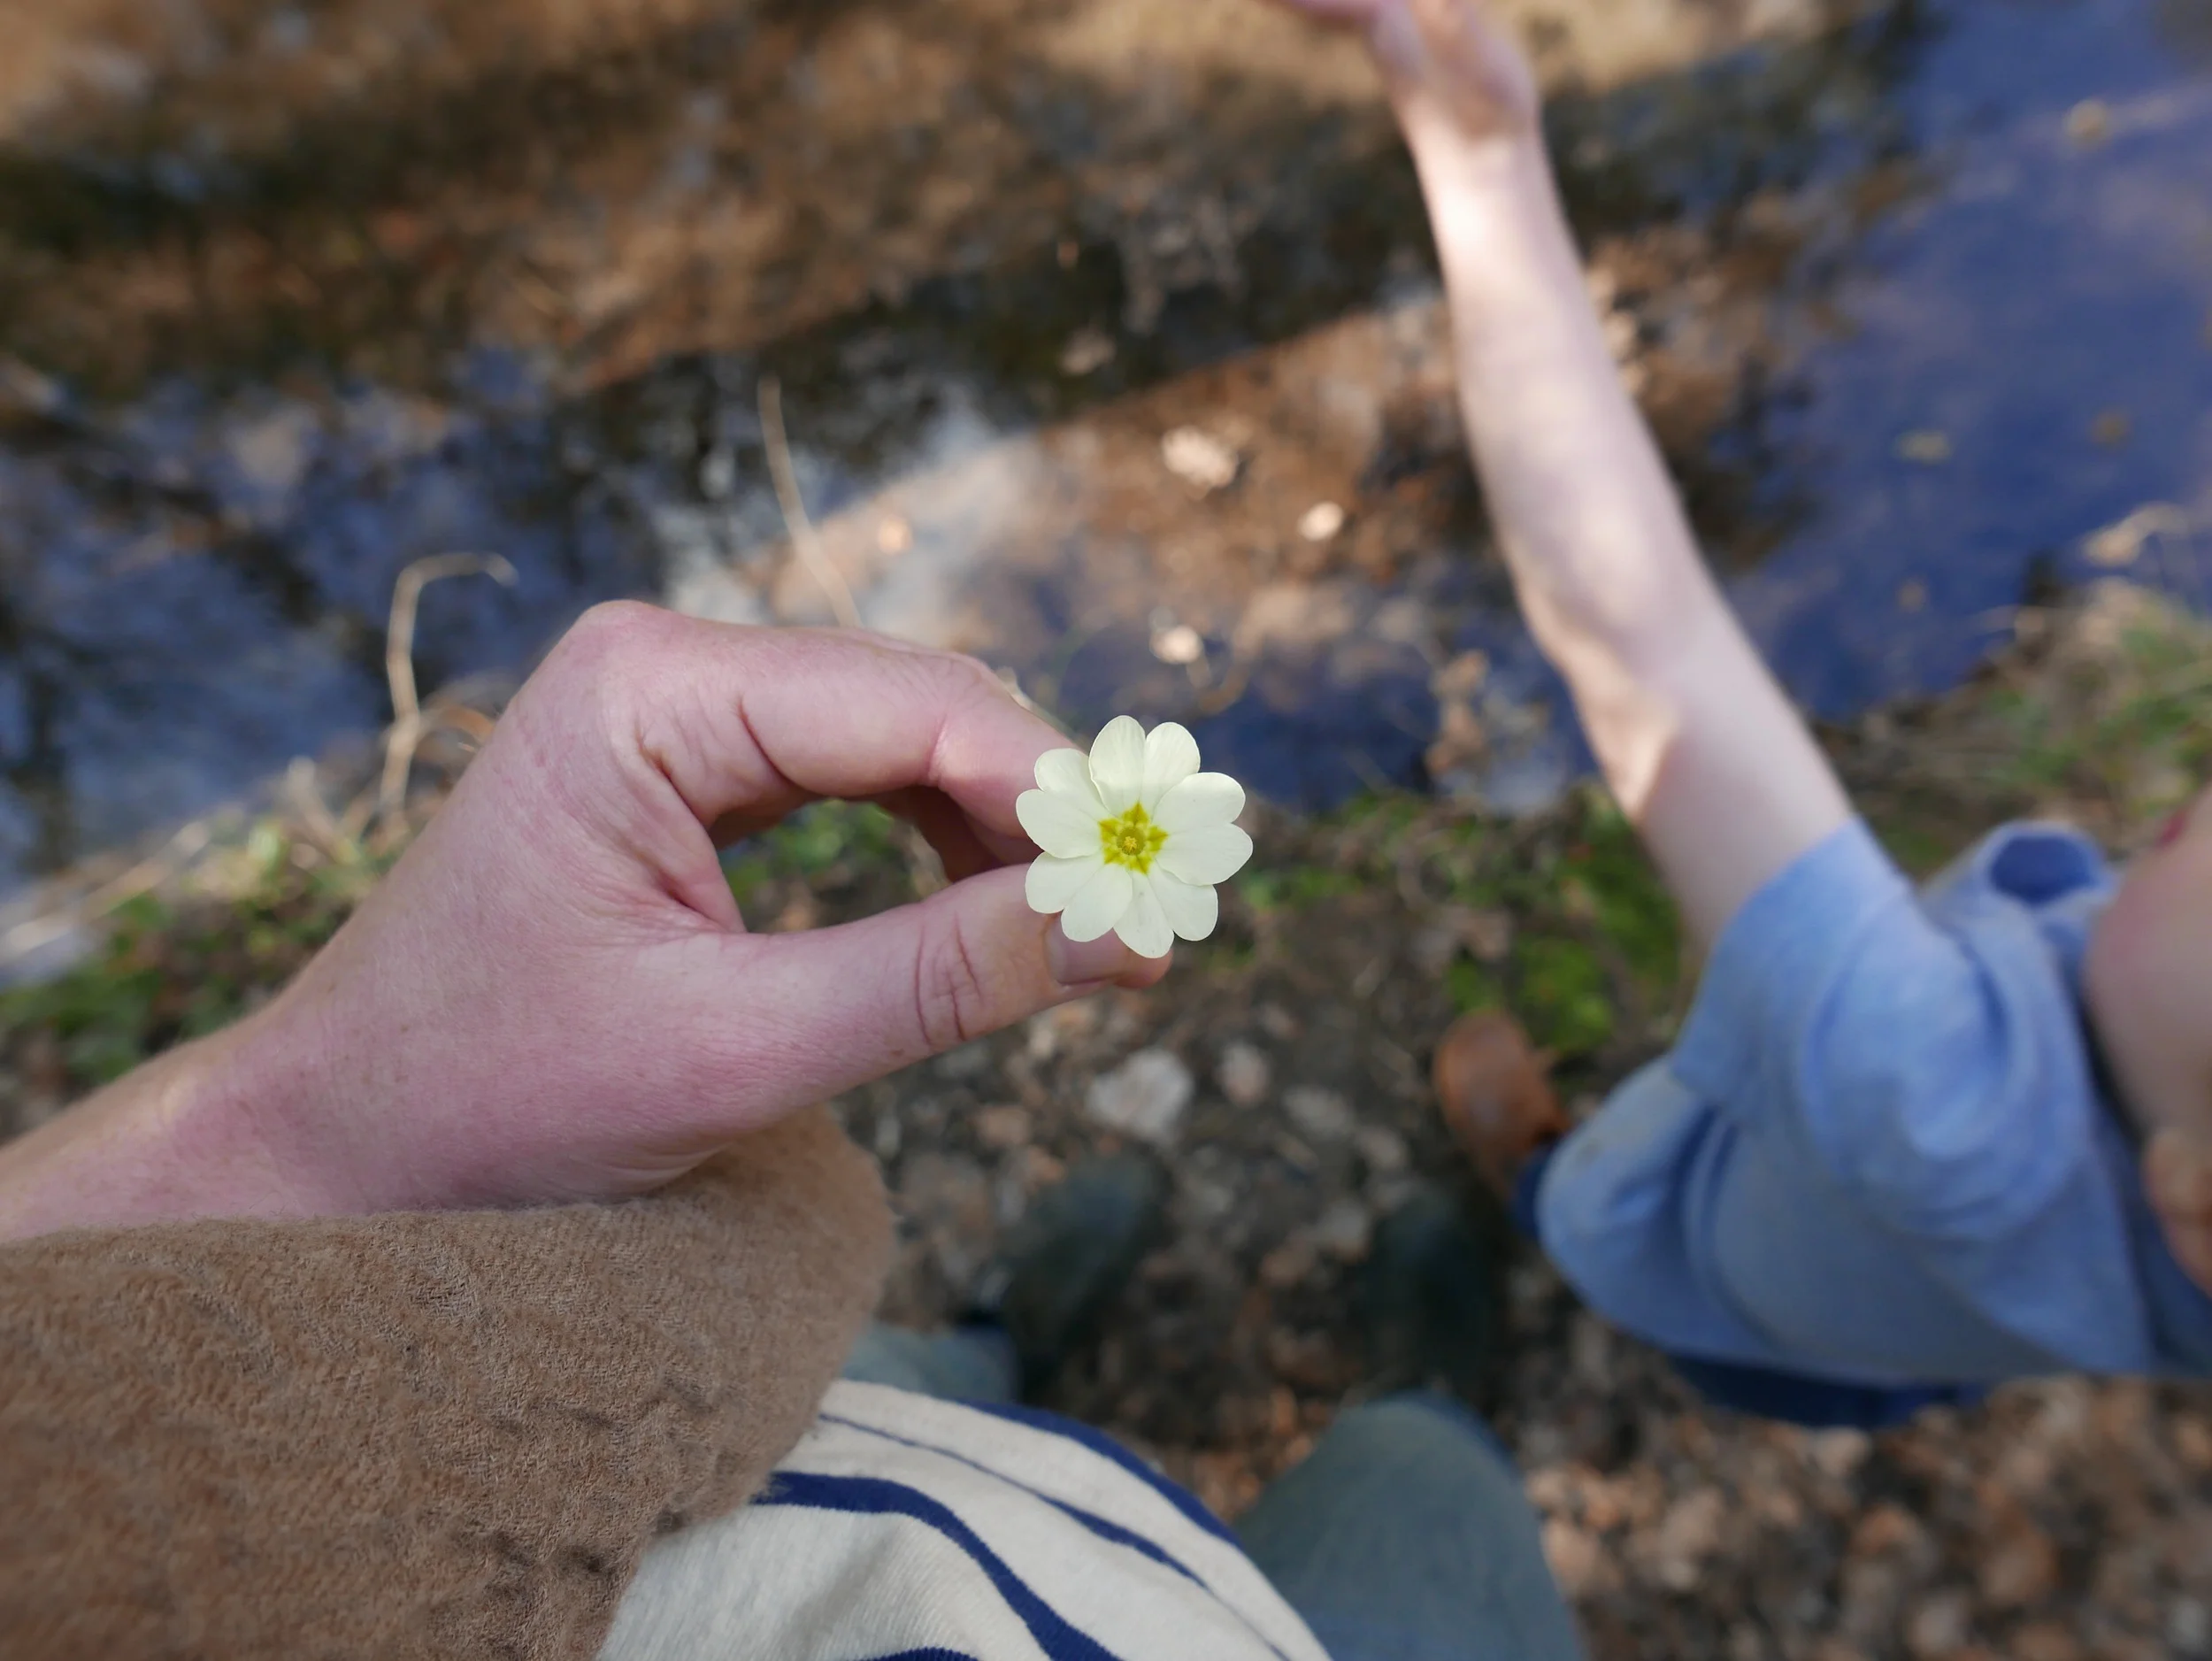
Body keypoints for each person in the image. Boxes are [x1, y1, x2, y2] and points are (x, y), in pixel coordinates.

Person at [0, 604, 1581, 1660]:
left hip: (781, 1425)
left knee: (908, 1381)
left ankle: (994, 1338)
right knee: (1431, 1495)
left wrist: (297, 1129)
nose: (1118, 835)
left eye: (1125, 830)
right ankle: (1417, 1390)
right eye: (1115, 829)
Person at [1351, 0, 2212, 1423]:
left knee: (1627, 1209)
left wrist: (1482, 150)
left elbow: (1643, 647)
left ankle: (1544, 1185)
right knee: (1846, 1325)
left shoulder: (1916, 1076)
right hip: (1887, 1349)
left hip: (1702, 1255)